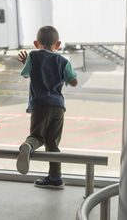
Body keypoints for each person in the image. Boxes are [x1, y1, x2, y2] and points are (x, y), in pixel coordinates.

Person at [16, 26, 78, 189]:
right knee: (53, 142)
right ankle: (55, 178)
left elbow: (25, 74)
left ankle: (28, 146)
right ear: (57, 44)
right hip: (58, 107)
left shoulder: (33, 56)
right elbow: (74, 82)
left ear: (36, 43)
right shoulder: (63, 61)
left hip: (39, 105)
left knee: (37, 136)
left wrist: (26, 62)